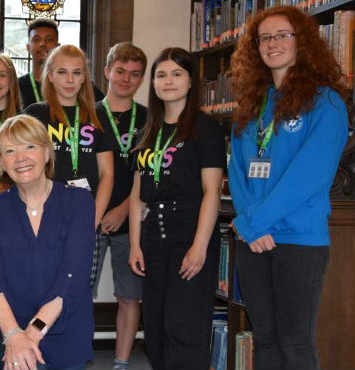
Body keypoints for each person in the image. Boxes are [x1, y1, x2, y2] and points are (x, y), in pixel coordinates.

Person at [228, 6, 349, 370]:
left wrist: (255, 222)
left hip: (298, 239)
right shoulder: (253, 104)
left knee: (295, 342)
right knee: (264, 338)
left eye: (282, 35)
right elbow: (238, 170)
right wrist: (252, 224)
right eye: (264, 38)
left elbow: (309, 176)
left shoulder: (326, 101)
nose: (272, 44)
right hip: (254, 239)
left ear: (303, 43)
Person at [127, 47, 225, 370]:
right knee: (154, 330)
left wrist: (199, 247)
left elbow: (211, 192)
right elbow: (138, 195)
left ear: (190, 81)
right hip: (153, 239)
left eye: (176, 74)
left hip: (188, 236)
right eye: (161, 75)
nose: (168, 81)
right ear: (153, 83)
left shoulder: (205, 128)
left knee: (183, 329)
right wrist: (134, 245)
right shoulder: (147, 130)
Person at [0, 114, 96, 370]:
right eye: (10, 150)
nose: (21, 158)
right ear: (1, 162)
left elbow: (72, 278)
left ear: (47, 152)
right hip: (4, 328)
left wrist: (30, 335)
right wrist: (13, 336)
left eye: (30, 146)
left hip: (63, 329)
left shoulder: (79, 203)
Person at [23, 44, 114, 244]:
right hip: (42, 215)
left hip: (85, 216)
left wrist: (93, 220)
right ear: (50, 75)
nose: (70, 80)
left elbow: (107, 174)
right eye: (62, 72)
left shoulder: (98, 116)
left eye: (76, 73)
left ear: (84, 77)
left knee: (84, 276)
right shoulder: (34, 115)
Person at [94, 42, 148, 370]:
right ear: (107, 72)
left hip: (132, 219)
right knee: (76, 292)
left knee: (129, 295)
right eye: (120, 72)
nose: (126, 79)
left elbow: (151, 175)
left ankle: (122, 362)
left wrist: (124, 210)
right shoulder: (88, 114)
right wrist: (100, 213)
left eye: (135, 74)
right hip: (91, 217)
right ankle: (76, 354)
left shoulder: (149, 117)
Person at [17, 18, 104, 108]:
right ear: (28, 47)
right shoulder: (17, 85)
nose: (42, 44)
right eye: (36, 39)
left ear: (57, 47)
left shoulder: (81, 85)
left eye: (49, 39)